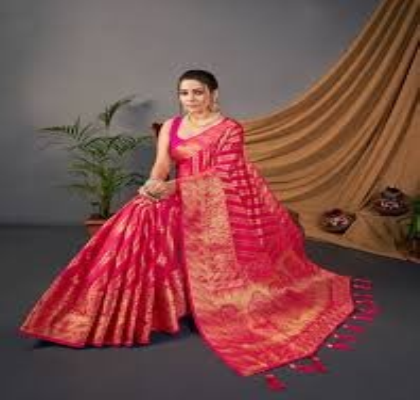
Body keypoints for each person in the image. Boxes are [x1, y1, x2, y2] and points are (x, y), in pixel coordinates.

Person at [20, 69, 369, 387]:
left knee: (160, 219)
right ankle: (103, 313)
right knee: (137, 215)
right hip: (178, 195)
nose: (190, 99)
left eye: (197, 92)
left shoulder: (229, 129)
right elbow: (161, 165)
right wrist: (153, 185)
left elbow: (226, 176)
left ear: (214, 94)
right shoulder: (171, 126)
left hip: (217, 204)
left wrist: (174, 187)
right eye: (184, 93)